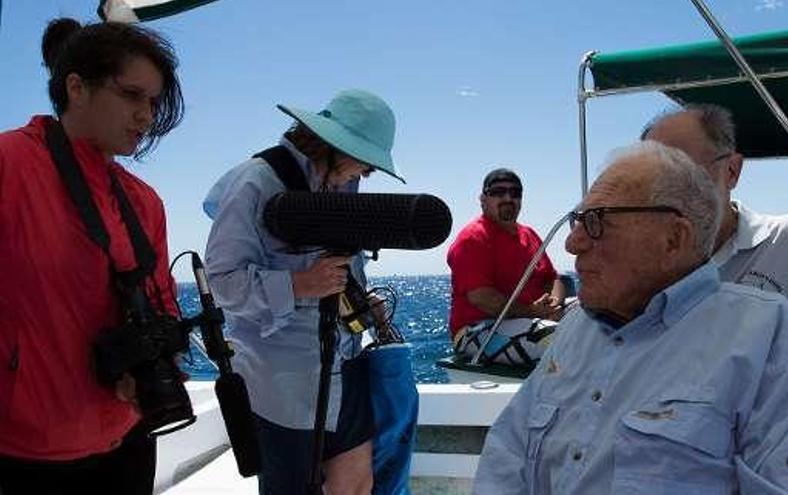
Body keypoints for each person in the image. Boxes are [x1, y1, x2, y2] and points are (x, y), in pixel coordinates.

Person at [474, 141, 788, 494]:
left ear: (673, 238)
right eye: (578, 222)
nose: (573, 243)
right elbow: (507, 455)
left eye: (597, 221)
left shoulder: (776, 340)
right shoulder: (576, 328)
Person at [0, 18, 184, 495]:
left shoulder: (145, 202)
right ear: (76, 87)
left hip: (130, 439)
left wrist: (162, 351)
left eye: (153, 101)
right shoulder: (8, 167)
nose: (146, 115)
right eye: (131, 95)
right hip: (26, 453)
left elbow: (162, 300)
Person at [203, 89, 402, 495]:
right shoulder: (256, 181)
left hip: (344, 368)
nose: (366, 174)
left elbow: (347, 265)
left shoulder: (341, 186)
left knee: (358, 483)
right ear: (333, 146)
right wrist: (297, 285)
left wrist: (364, 303)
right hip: (281, 386)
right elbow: (221, 282)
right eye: (365, 161)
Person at [641, 104, 788, 390]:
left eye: (684, 174)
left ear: (731, 171)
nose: (666, 193)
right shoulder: (640, 263)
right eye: (650, 180)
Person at [446, 168, 566, 365]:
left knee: (596, 315)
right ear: (483, 199)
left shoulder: (529, 235)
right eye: (499, 192)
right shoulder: (472, 239)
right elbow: (483, 298)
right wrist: (535, 312)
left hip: (533, 318)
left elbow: (553, 278)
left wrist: (554, 304)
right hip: (479, 330)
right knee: (561, 339)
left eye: (515, 193)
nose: (508, 197)